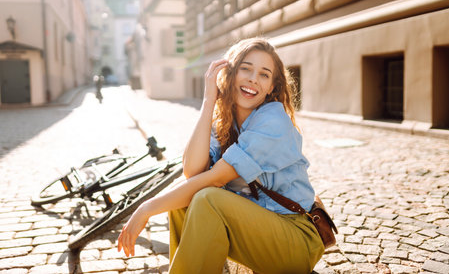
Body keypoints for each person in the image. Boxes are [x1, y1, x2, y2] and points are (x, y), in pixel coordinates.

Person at [117, 38, 324, 273]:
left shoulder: (273, 122)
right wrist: (208, 102)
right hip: (258, 230)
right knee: (184, 201)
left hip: (296, 240)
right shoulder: (226, 120)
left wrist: (146, 208)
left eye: (264, 75)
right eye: (245, 68)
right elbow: (192, 172)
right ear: (230, 74)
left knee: (207, 198)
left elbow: (214, 179)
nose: (253, 78)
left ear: (271, 88)